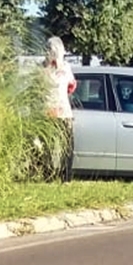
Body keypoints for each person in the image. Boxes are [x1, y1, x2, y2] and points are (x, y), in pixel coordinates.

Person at [43, 36, 76, 182]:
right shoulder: (60, 68)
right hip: (55, 111)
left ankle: (60, 176)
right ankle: (58, 176)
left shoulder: (45, 68)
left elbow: (72, 85)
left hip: (56, 111)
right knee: (55, 146)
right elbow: (72, 86)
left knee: (61, 146)